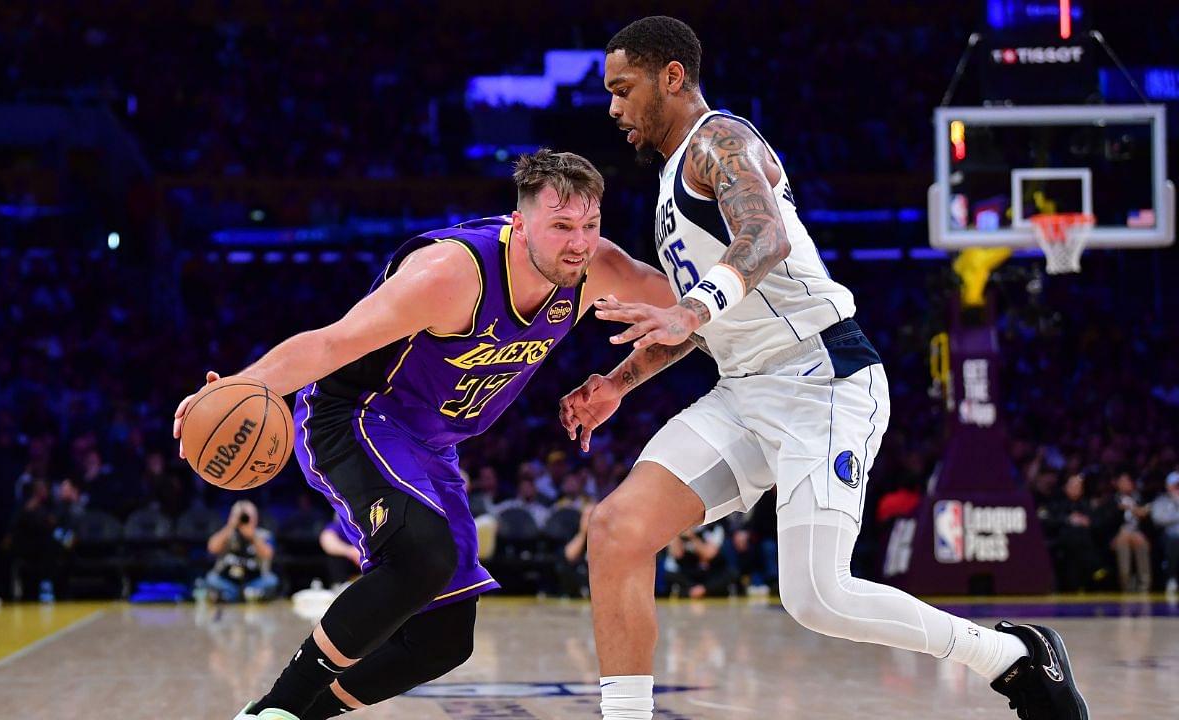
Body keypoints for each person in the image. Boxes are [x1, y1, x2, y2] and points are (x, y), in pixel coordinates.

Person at [559, 16, 1087, 720]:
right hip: (743, 393)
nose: (615, 108)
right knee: (618, 529)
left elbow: (765, 237)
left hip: (821, 377)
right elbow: (705, 319)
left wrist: (688, 310)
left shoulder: (721, 139)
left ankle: (1014, 659)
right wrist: (619, 384)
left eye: (624, 89)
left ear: (672, 77)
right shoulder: (668, 183)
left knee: (818, 597)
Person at [172, 149, 678, 720]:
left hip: (431, 444)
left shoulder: (598, 269)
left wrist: (620, 381)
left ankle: (295, 714)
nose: (579, 242)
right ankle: (275, 713)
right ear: (519, 223)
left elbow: (686, 314)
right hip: (356, 414)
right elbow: (330, 344)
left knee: (444, 639)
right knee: (422, 556)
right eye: (561, 226)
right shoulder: (452, 275)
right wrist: (239, 384)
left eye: (590, 225)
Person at [205, 500, 278, 602]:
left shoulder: (264, 535)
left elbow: (268, 555)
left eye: (247, 517)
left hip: (253, 580)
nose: (244, 519)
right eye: (241, 516)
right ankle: (236, 595)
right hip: (228, 580)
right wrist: (230, 525)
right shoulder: (227, 533)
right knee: (211, 579)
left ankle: (239, 595)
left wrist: (253, 536)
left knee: (271, 580)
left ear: (256, 518)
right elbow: (212, 548)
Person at [1151, 472, 1179, 595]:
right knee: (1173, 540)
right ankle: (1171, 578)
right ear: (1168, 486)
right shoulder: (1161, 501)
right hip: (1168, 536)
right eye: (1175, 485)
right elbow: (1158, 518)